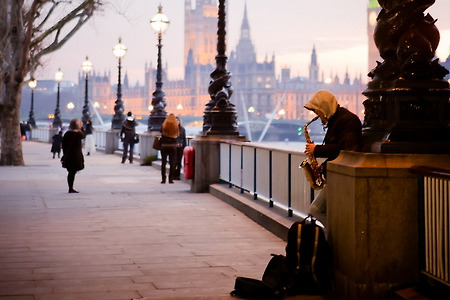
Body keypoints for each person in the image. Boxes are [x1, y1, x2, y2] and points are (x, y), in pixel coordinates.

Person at [304, 90, 362, 228]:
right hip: (335, 175)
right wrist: (322, 167)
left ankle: (335, 236)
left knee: (316, 209)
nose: (316, 116)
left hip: (341, 176)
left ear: (324, 108)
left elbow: (345, 150)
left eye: (317, 112)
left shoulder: (347, 120)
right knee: (327, 211)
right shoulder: (337, 120)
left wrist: (316, 150)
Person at [62, 119, 86, 193]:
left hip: (68, 155)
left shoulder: (67, 133)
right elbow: (84, 135)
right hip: (75, 156)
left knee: (70, 172)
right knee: (72, 172)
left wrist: (64, 154)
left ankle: (70, 187)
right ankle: (70, 188)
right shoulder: (78, 134)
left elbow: (64, 145)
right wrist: (82, 128)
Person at [160, 114, 179, 184]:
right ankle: (171, 179)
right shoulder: (175, 126)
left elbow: (161, 133)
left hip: (164, 146)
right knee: (172, 163)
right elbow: (177, 135)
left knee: (163, 163)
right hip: (172, 146)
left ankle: (163, 179)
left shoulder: (164, 126)